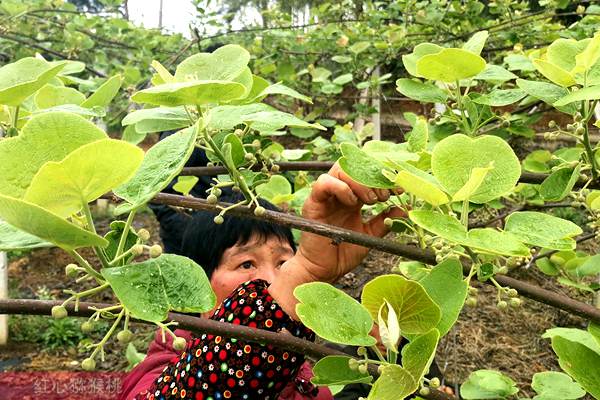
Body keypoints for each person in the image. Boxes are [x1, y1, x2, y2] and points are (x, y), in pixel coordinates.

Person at [118, 163, 405, 400]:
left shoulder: (305, 374)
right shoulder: (161, 369)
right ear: (196, 283)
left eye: (284, 263)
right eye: (245, 263)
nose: (271, 279)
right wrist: (305, 270)